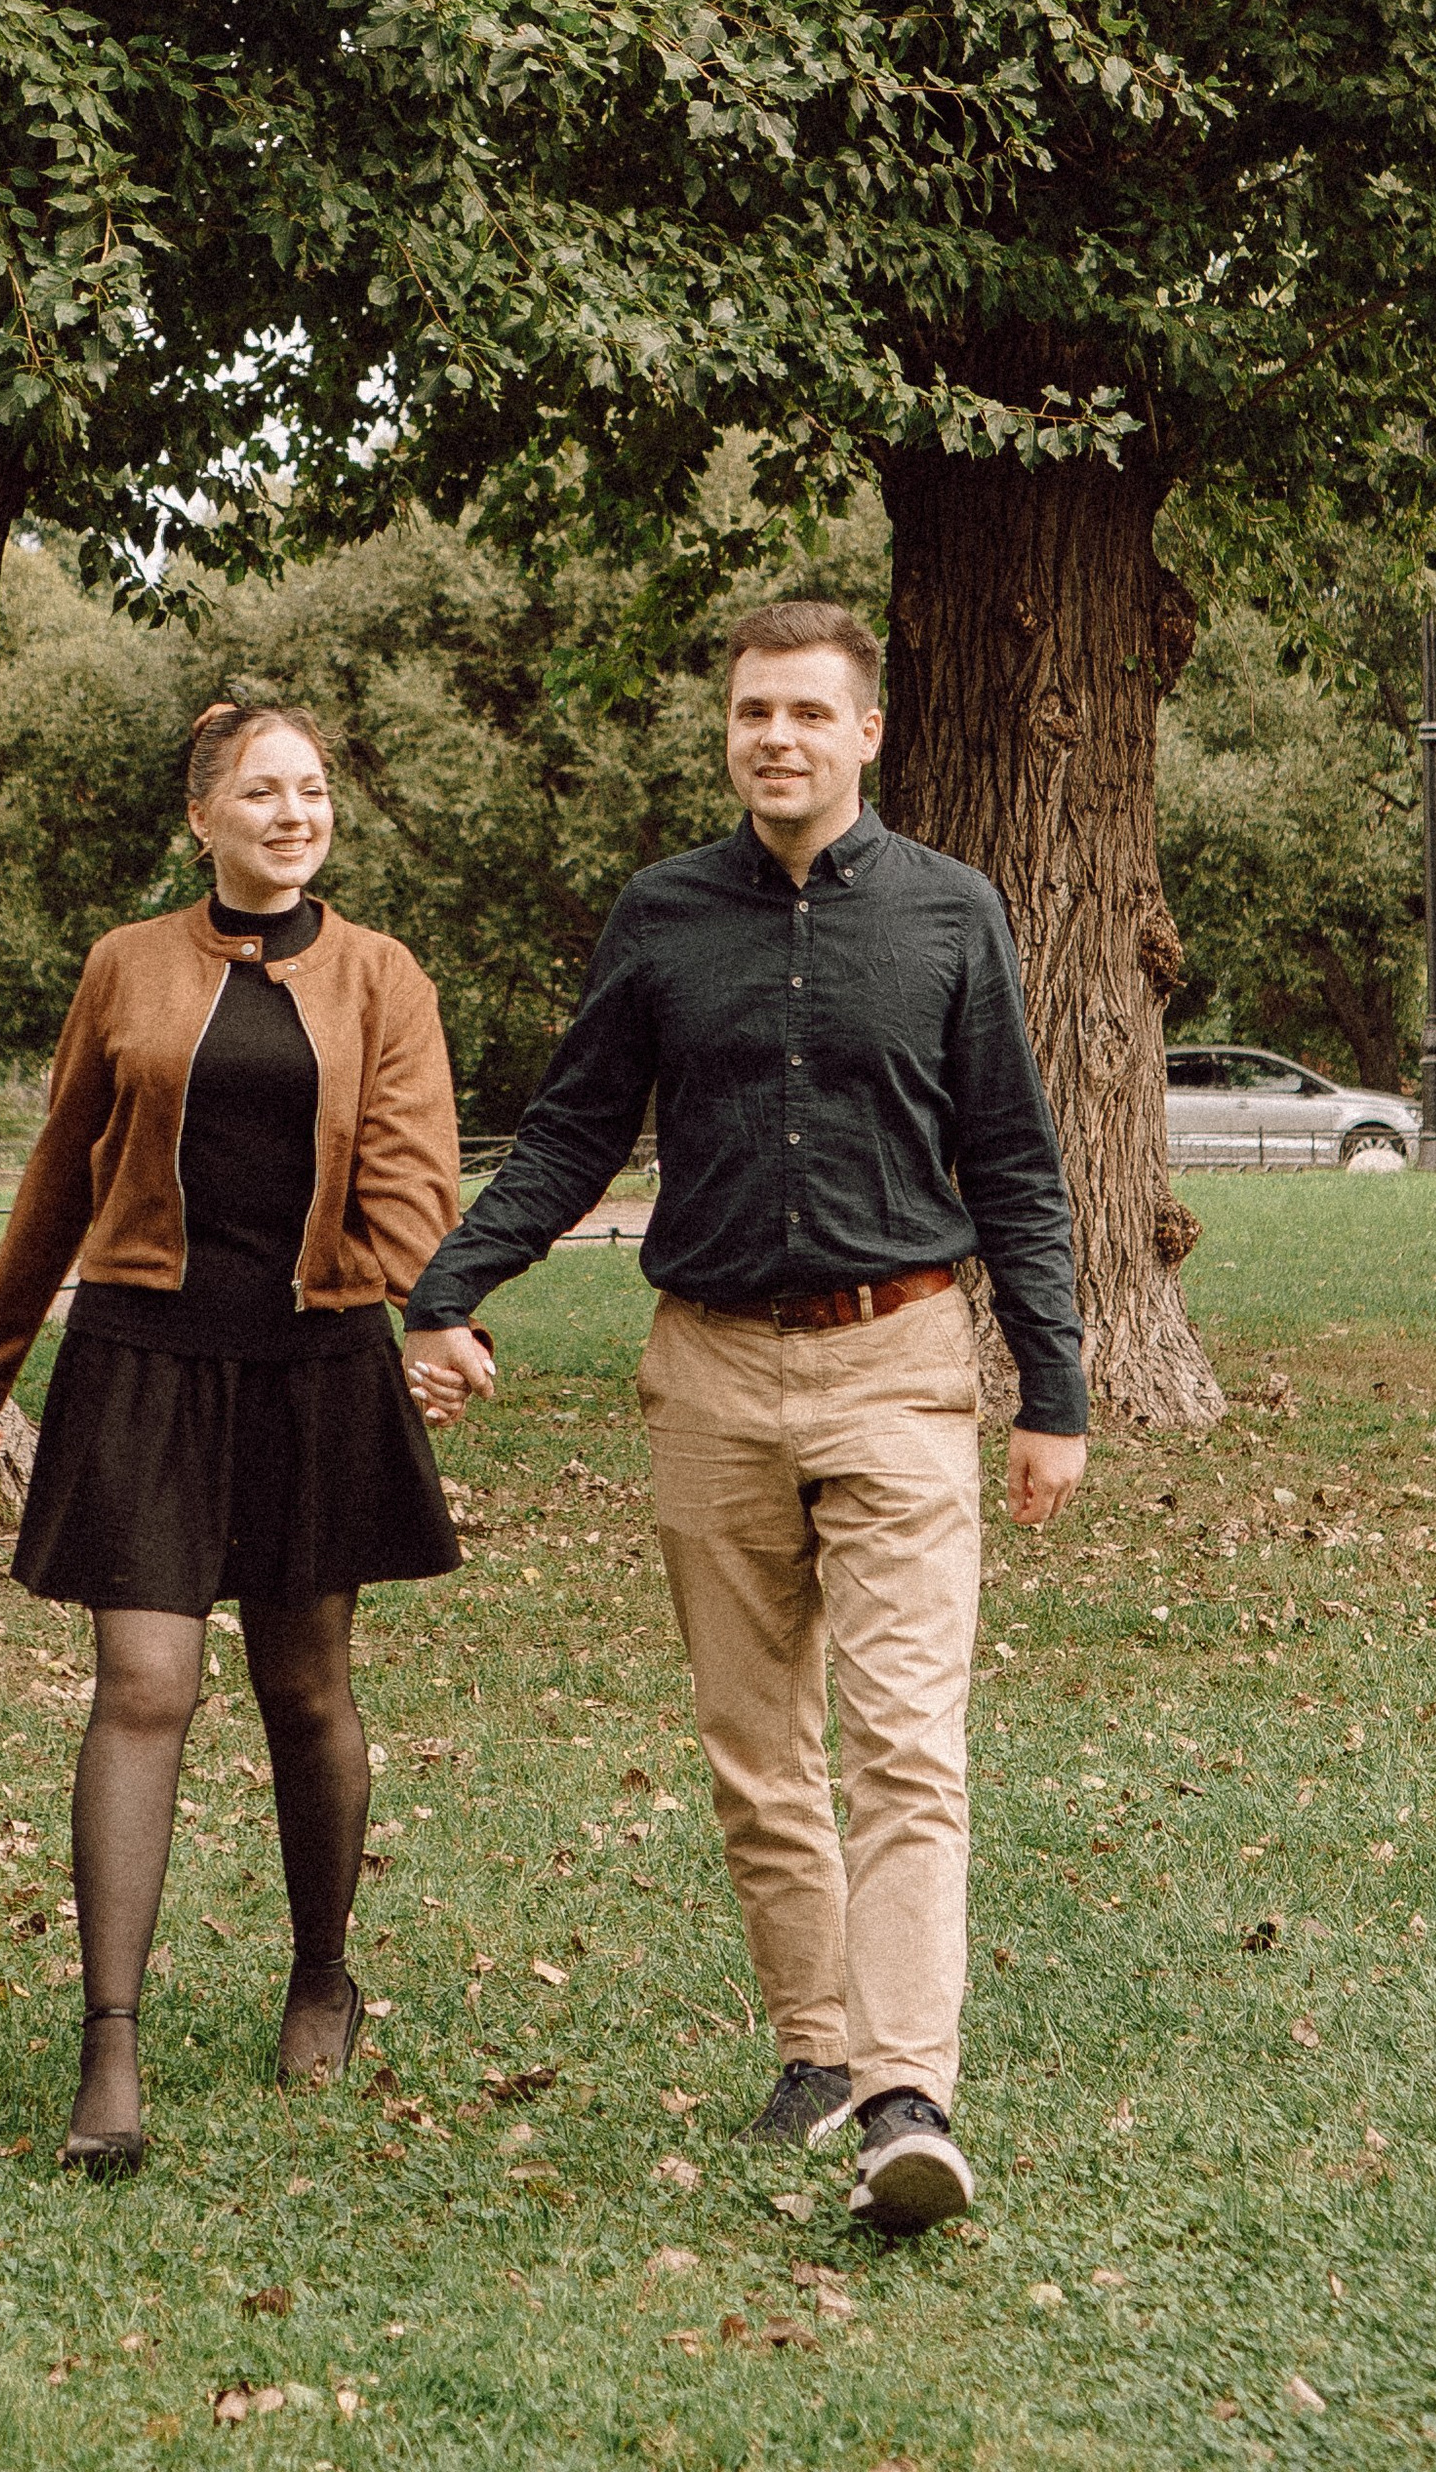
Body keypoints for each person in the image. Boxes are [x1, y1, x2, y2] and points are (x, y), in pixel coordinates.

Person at [404, 599, 1088, 2237]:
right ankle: (812, 2042)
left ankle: (905, 2089)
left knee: (906, 1743)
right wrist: (449, 1286)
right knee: (755, 1746)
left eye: (803, 711)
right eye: (748, 714)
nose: (772, 736)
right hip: (706, 1370)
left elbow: (1013, 1161)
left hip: (900, 1362)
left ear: (866, 733)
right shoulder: (663, 915)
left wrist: (1052, 1390)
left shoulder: (950, 914)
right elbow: (573, 1133)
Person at [0, 700, 464, 2176]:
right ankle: (110, 2046)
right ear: (203, 819)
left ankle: (320, 1971)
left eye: (310, 792)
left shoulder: (381, 976)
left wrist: (427, 1313)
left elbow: (416, 1171)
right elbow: (58, 1169)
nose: (291, 814)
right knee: (145, 1682)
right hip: (144, 1357)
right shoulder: (127, 964)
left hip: (312, 1363)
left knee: (306, 1691)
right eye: (259, 792)